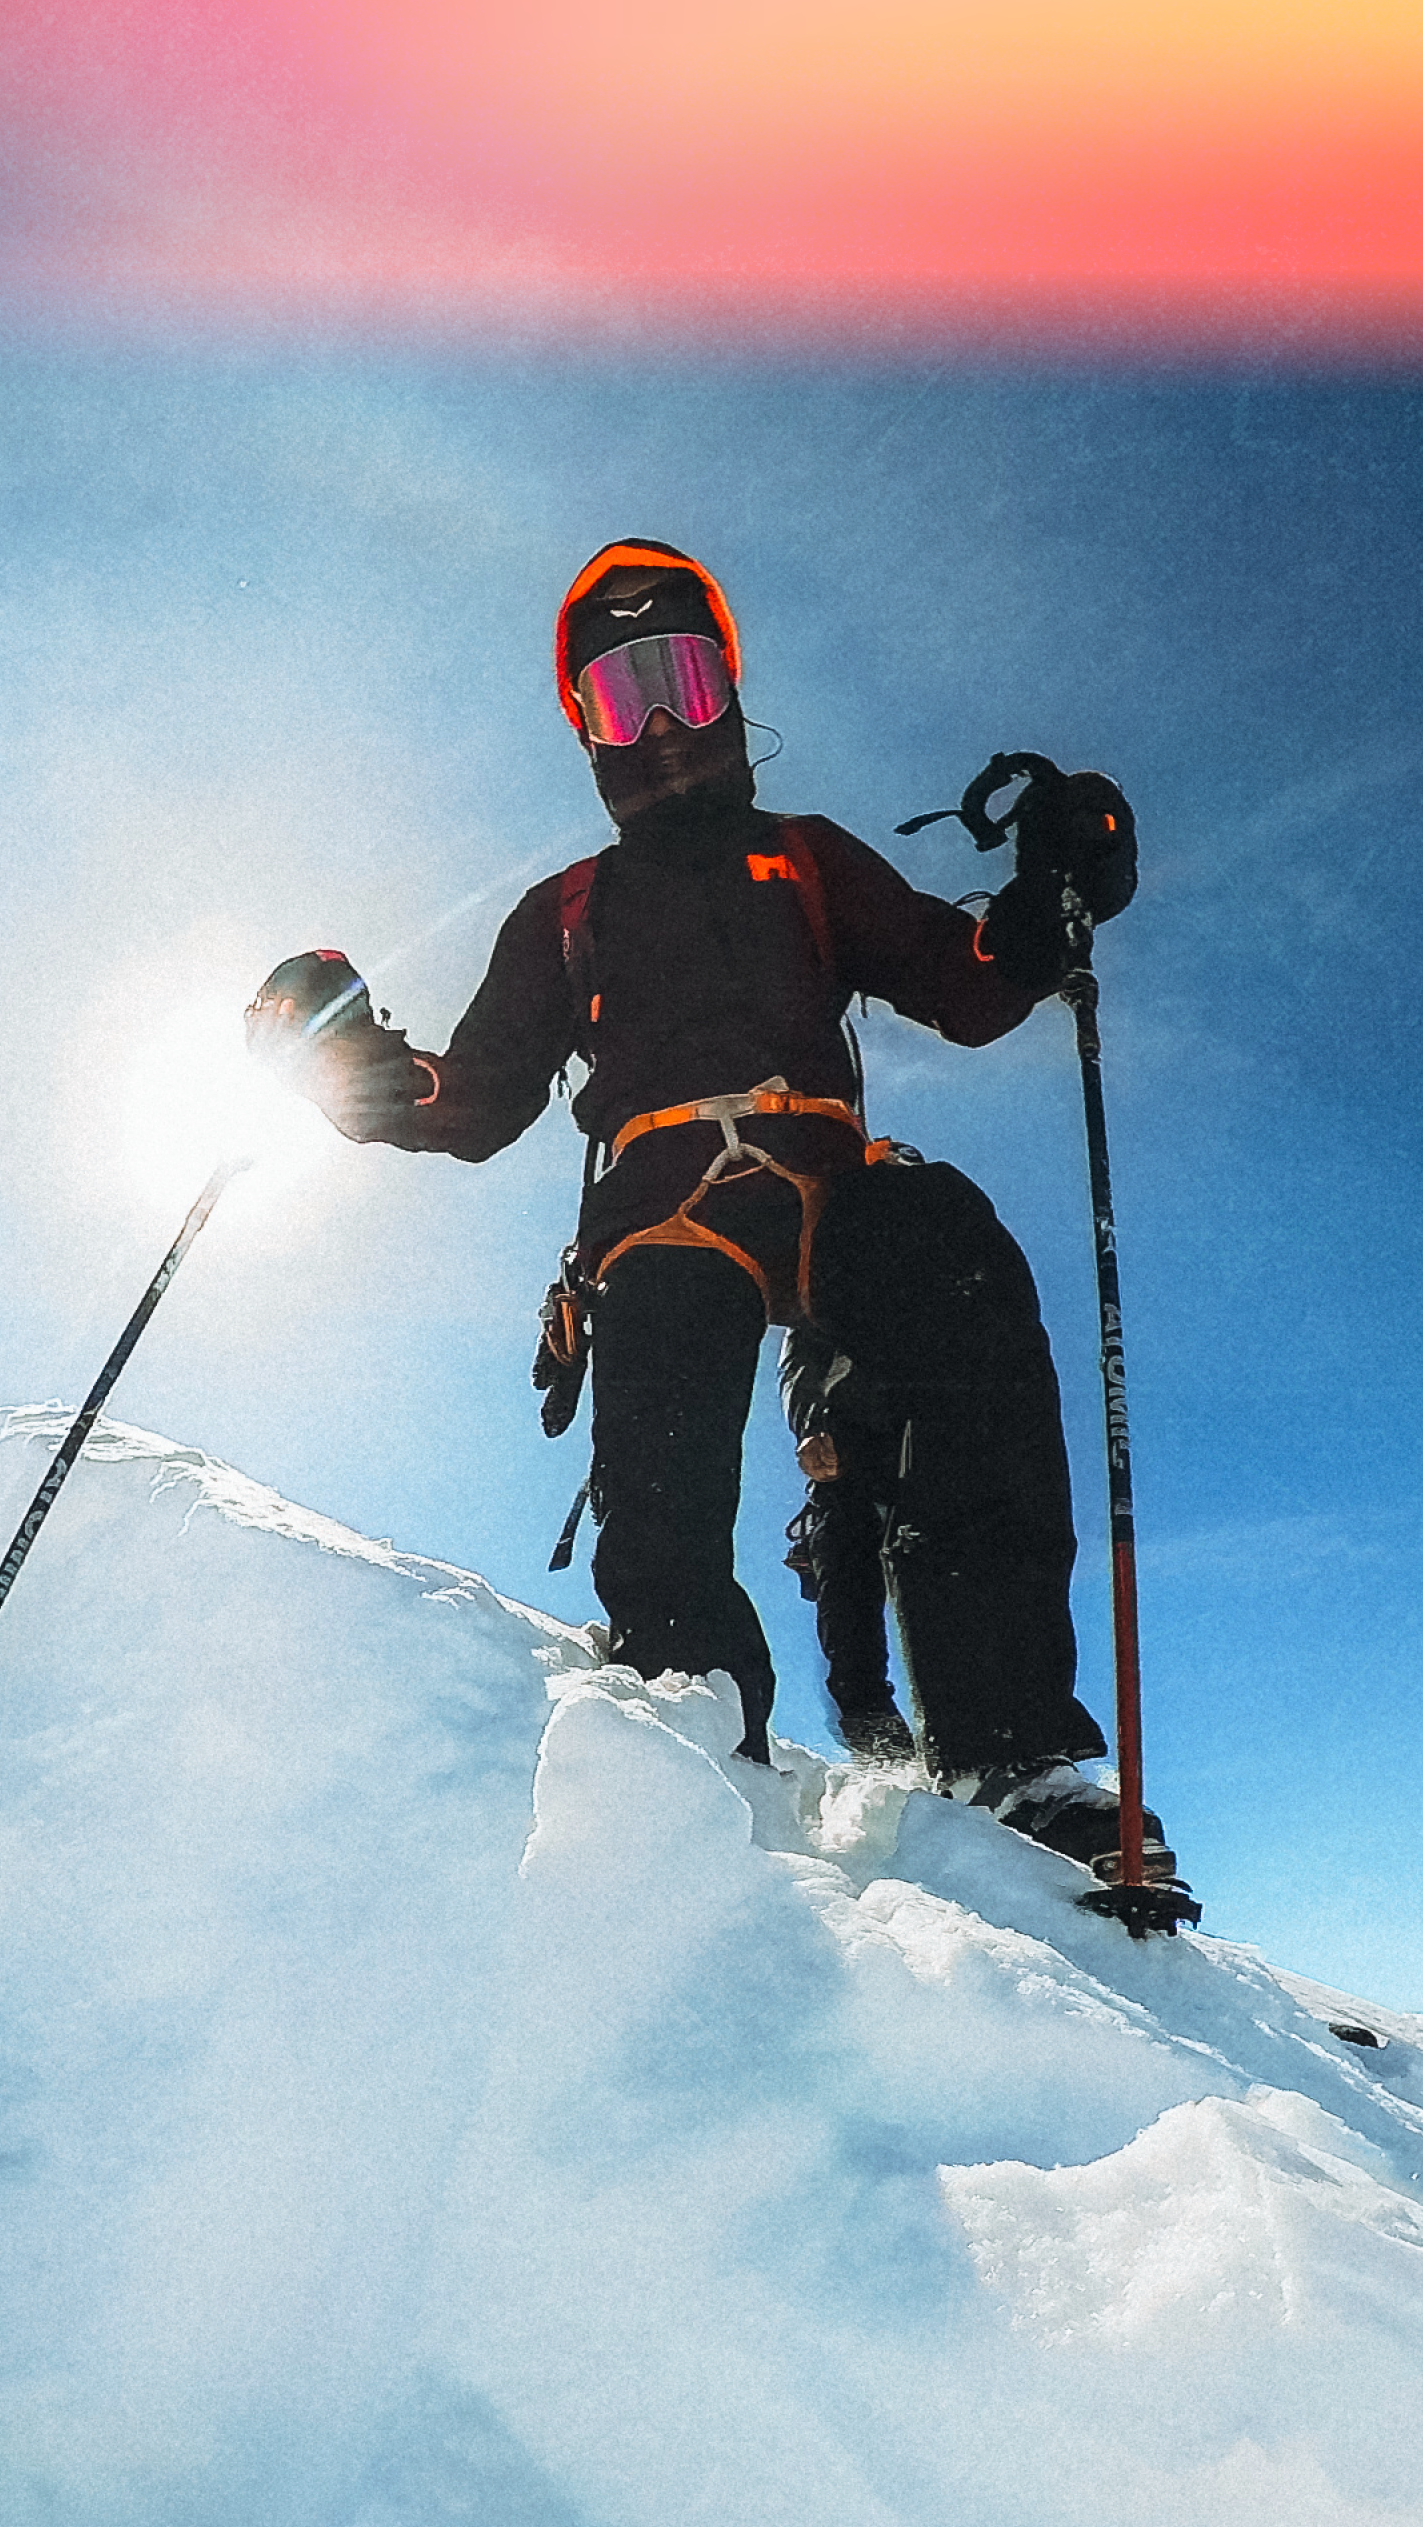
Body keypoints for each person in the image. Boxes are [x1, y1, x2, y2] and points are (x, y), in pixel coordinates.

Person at [247, 538, 1144, 1858]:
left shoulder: (807, 858)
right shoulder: (569, 908)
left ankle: (1013, 1753)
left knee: (947, 1247)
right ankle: (687, 1700)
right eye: (621, 698)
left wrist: (1044, 903)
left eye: (682, 679)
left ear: (729, 692)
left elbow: (955, 982)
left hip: (833, 1190)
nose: (660, 725)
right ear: (591, 736)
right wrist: (358, 1070)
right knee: (664, 1317)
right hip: (668, 1205)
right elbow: (478, 1094)